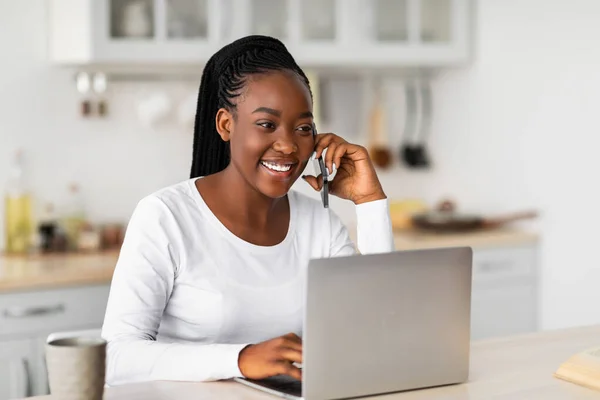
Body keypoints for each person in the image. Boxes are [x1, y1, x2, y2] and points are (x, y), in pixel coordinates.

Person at [101, 35, 394, 386]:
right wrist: (239, 359)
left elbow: (377, 331)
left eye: (302, 128)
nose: (287, 145)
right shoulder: (165, 217)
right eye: (266, 125)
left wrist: (370, 201)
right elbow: (115, 357)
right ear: (226, 124)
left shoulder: (320, 224)